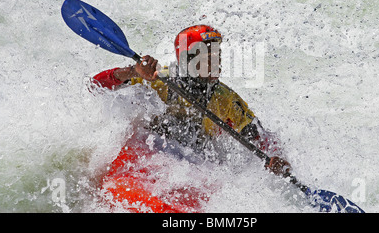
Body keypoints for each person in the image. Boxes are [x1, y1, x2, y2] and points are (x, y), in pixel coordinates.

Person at [92, 25, 291, 176]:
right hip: (153, 152)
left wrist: (274, 158)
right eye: (209, 57)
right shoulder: (158, 79)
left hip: (195, 165)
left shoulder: (225, 98)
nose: (218, 62)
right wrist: (132, 71)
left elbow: (259, 135)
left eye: (218, 55)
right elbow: (96, 86)